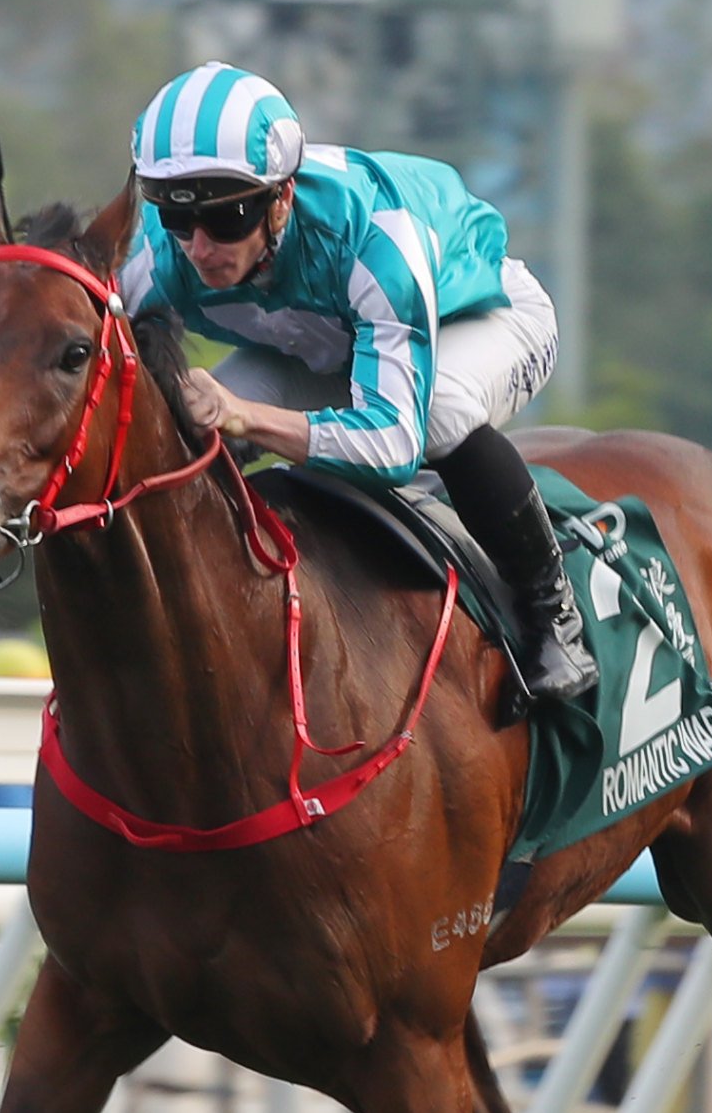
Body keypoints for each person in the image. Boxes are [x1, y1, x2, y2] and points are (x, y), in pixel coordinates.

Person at [118, 62, 592, 705]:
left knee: (440, 412)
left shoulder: (375, 240)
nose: (199, 248)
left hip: (478, 317)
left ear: (281, 197)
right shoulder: (157, 257)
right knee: (181, 433)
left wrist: (247, 417)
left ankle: (552, 616)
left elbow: (393, 445)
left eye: (226, 218)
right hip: (321, 341)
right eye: (177, 217)